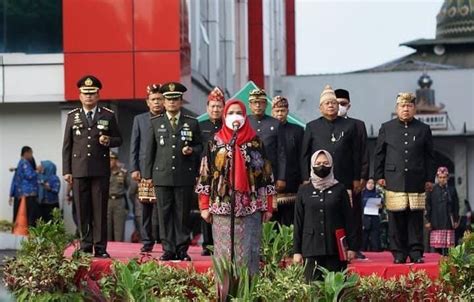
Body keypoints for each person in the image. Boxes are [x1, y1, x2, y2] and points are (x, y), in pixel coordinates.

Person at [196, 99, 275, 274]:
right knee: (224, 255)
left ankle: (248, 294)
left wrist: (268, 206)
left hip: (251, 208)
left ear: (245, 116)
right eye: (230, 113)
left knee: (249, 254)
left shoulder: (256, 142)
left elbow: (266, 176)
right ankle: (225, 293)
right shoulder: (214, 143)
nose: (235, 116)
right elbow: (205, 174)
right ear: (224, 116)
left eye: (238, 112)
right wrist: (203, 206)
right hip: (222, 206)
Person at [62, 75, 123, 258]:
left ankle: (101, 247)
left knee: (99, 210)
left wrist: (109, 140)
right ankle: (86, 245)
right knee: (82, 210)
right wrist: (67, 171)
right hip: (79, 169)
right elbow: (67, 145)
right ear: (80, 95)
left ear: (98, 95)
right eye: (85, 93)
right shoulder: (73, 116)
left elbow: (119, 138)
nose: (88, 96)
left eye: (92, 93)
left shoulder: (108, 115)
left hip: (99, 170)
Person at [143, 82, 202, 261]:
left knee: (182, 214)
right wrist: (147, 175)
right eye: (168, 99)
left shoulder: (191, 122)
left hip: (184, 174)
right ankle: (168, 248)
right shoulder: (155, 122)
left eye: (175, 99)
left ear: (180, 101)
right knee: (164, 213)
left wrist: (192, 150)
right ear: (164, 101)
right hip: (161, 174)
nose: (171, 103)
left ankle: (182, 249)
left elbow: (200, 145)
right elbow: (149, 151)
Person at [374, 92, 435, 264]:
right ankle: (398, 252)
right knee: (396, 218)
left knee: (415, 217)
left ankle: (416, 251)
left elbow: (429, 156)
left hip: (417, 179)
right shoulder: (387, 127)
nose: (406, 109)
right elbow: (379, 154)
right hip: (393, 178)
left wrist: (430, 178)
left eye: (409, 106)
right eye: (402, 106)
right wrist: (378, 175)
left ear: (414, 108)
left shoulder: (423, 129)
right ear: (397, 109)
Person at [293, 150, 356, 282]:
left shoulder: (340, 189)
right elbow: (298, 221)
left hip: (336, 249)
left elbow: (349, 220)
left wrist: (351, 247)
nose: (322, 166)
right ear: (312, 165)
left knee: (336, 290)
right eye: (319, 163)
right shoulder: (304, 190)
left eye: (326, 163)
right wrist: (296, 251)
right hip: (311, 248)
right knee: (313, 291)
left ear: (332, 165)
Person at [130, 83, 164, 252]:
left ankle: (165, 240)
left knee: (164, 207)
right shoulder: (140, 119)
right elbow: (134, 146)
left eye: (159, 99)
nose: (157, 102)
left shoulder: (168, 118)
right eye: (153, 99)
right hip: (144, 170)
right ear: (147, 102)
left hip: (164, 169)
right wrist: (134, 168)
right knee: (145, 208)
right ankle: (147, 241)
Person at [335, 88, 368, 259]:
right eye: (337, 103)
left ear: (349, 105)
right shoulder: (326, 125)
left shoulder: (357, 125)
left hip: (352, 179)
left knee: (354, 215)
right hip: (332, 178)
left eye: (343, 104)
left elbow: (363, 153)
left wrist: (362, 177)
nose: (339, 106)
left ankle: (355, 247)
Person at [198, 86, 225, 256]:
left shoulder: (228, 126)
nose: (216, 109)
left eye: (219, 106)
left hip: (223, 175)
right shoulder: (199, 125)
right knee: (205, 207)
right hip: (204, 174)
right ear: (207, 107)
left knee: (221, 208)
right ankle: (207, 244)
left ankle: (220, 243)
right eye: (213, 106)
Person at [271, 95, 304, 226]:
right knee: (271, 223)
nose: (280, 114)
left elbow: (302, 156)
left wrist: (303, 179)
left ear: (287, 111)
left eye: (282, 110)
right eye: (277, 111)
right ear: (272, 111)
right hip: (270, 184)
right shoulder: (267, 129)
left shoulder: (297, 130)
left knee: (290, 222)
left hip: (292, 183)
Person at [247, 88, 287, 198]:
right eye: (255, 102)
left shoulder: (276, 123)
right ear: (250, 105)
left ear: (266, 105)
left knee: (270, 208)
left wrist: (281, 177)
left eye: (261, 102)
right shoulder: (244, 122)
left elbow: (281, 153)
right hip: (248, 173)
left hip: (270, 174)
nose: (258, 106)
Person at [425, 167, 459, 255]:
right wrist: (428, 220)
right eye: (440, 177)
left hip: (448, 223)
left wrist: (456, 220)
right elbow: (428, 206)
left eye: (444, 177)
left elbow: (456, 206)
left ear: (447, 178)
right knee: (437, 249)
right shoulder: (432, 190)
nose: (442, 179)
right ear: (437, 177)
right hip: (436, 222)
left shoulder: (451, 190)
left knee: (449, 250)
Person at [9, 146, 40, 226]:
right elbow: (29, 175)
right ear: (26, 153)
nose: (31, 156)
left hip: (23, 194)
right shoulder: (25, 163)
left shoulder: (21, 163)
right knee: (29, 216)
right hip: (28, 194)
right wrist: (37, 171)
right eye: (31, 153)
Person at [107, 151, 129, 242]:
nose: (109, 162)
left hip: (119, 201)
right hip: (107, 201)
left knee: (119, 230)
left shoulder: (123, 173)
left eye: (111, 159)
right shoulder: (104, 172)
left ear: (116, 160)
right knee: (107, 229)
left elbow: (130, 187)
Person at [361, 178, 382, 252]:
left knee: (375, 236)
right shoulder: (362, 194)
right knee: (364, 236)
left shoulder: (377, 194)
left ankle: (376, 249)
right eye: (368, 183)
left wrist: (380, 206)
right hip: (364, 217)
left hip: (374, 217)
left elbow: (381, 209)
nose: (370, 185)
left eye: (372, 183)